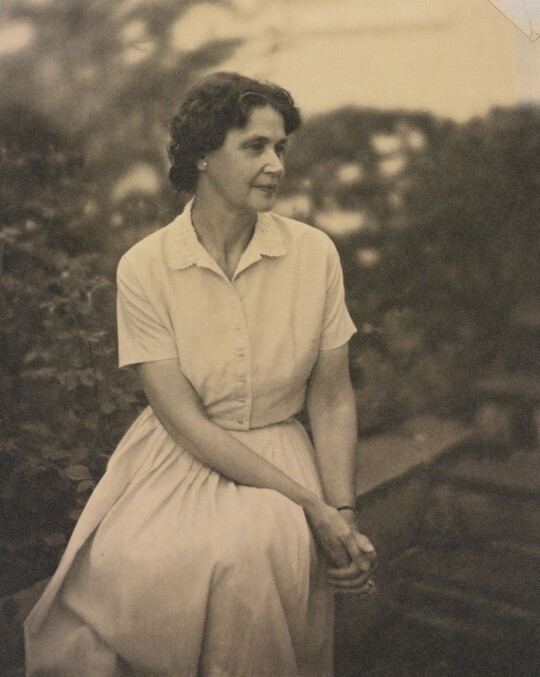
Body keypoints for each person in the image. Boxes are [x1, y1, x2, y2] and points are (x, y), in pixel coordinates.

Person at [24, 71, 377, 677]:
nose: (275, 165)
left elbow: (332, 398)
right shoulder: (145, 267)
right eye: (255, 147)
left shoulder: (314, 254)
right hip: (176, 455)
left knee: (254, 550)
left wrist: (341, 512)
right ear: (203, 157)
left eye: (281, 148)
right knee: (140, 563)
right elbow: (183, 421)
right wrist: (311, 506)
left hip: (278, 449)